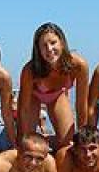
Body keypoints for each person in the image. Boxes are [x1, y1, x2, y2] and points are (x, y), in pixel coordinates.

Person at [18, 22, 89, 150]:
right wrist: (22, 140)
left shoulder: (79, 65)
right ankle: (35, 143)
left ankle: (43, 141)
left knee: (67, 142)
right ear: (38, 50)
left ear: (62, 42)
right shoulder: (30, 70)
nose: (49, 49)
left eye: (53, 43)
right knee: (28, 141)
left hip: (57, 96)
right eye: (43, 46)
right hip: (34, 97)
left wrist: (85, 137)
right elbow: (23, 109)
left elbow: (81, 105)